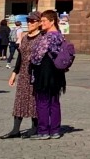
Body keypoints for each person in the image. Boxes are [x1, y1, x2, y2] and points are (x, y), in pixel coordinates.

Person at [0, 11, 42, 139]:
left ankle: (35, 127)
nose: (29, 23)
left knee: (34, 100)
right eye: (28, 21)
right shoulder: (24, 37)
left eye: (33, 21)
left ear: (39, 23)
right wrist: (14, 73)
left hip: (36, 73)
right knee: (20, 99)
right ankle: (15, 130)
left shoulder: (42, 38)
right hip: (24, 72)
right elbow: (20, 57)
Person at [28, 10, 66, 139]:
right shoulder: (60, 35)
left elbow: (36, 56)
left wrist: (31, 58)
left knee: (43, 101)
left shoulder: (48, 36)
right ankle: (55, 130)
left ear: (52, 21)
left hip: (45, 72)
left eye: (44, 21)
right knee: (54, 101)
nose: (41, 23)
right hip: (57, 72)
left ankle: (43, 130)